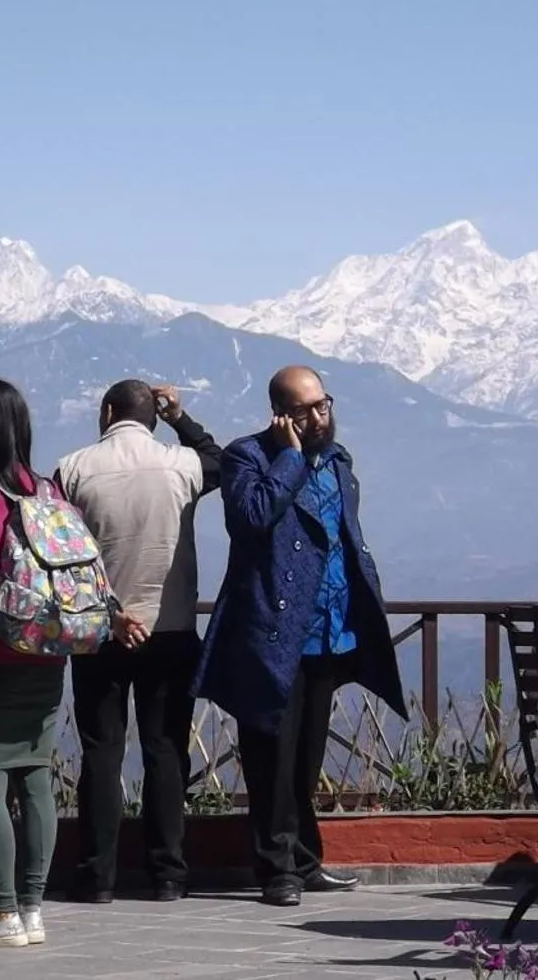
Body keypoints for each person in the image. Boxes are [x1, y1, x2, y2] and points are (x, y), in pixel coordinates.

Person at [0, 379, 140, 949]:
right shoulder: (48, 491)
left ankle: (0, 912)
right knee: (35, 774)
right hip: (47, 650)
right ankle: (33, 909)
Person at [193, 365, 407, 907]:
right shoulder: (249, 457)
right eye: (306, 409)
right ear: (281, 415)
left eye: (323, 404)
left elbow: (344, 537)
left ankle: (306, 861)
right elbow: (253, 516)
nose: (319, 417)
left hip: (330, 632)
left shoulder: (337, 460)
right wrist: (289, 458)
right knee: (270, 756)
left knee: (307, 757)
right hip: (273, 632)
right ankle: (276, 869)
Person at [55, 380, 222, 904]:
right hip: (169, 628)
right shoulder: (182, 466)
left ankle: (98, 875)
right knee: (165, 751)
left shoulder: (71, 469)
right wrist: (181, 416)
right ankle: (168, 874)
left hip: (100, 630)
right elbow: (219, 460)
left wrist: (109, 611)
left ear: (106, 411)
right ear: (153, 414)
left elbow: (59, 551)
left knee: (101, 753)